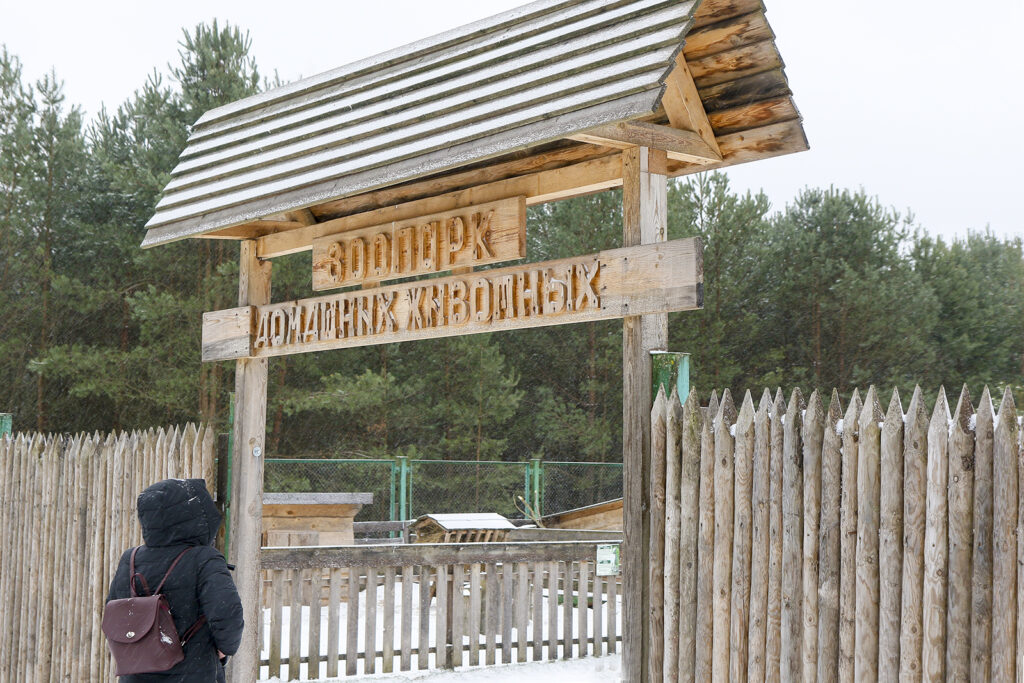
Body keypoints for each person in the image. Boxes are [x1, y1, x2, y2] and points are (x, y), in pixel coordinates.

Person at [107, 478, 244, 682]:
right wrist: (225, 650)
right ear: (197, 516)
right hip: (194, 674)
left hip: (137, 674)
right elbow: (228, 613)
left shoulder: (131, 558)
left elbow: (114, 614)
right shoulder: (204, 558)